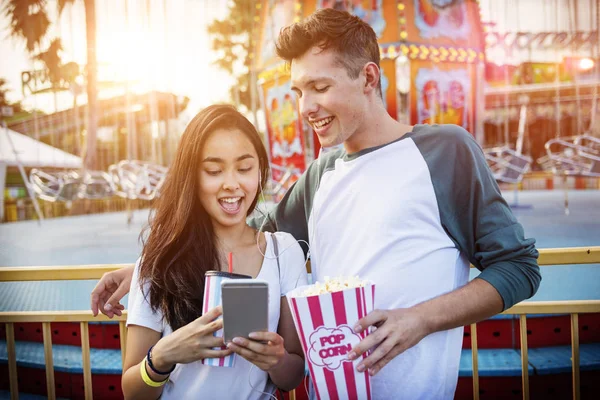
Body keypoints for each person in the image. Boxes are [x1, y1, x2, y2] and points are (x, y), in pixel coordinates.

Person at [91, 9, 541, 399]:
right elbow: (244, 235)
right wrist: (146, 267)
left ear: (368, 77)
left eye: (319, 86)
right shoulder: (320, 175)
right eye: (298, 92)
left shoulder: (445, 153)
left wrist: (419, 320)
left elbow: (519, 267)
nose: (306, 106)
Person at [116, 105, 307, 399]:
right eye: (214, 171)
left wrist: (276, 359)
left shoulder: (284, 253)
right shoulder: (158, 262)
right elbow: (132, 392)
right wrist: (163, 356)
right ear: (191, 177)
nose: (232, 184)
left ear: (260, 170)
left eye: (244, 168)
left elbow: (292, 376)